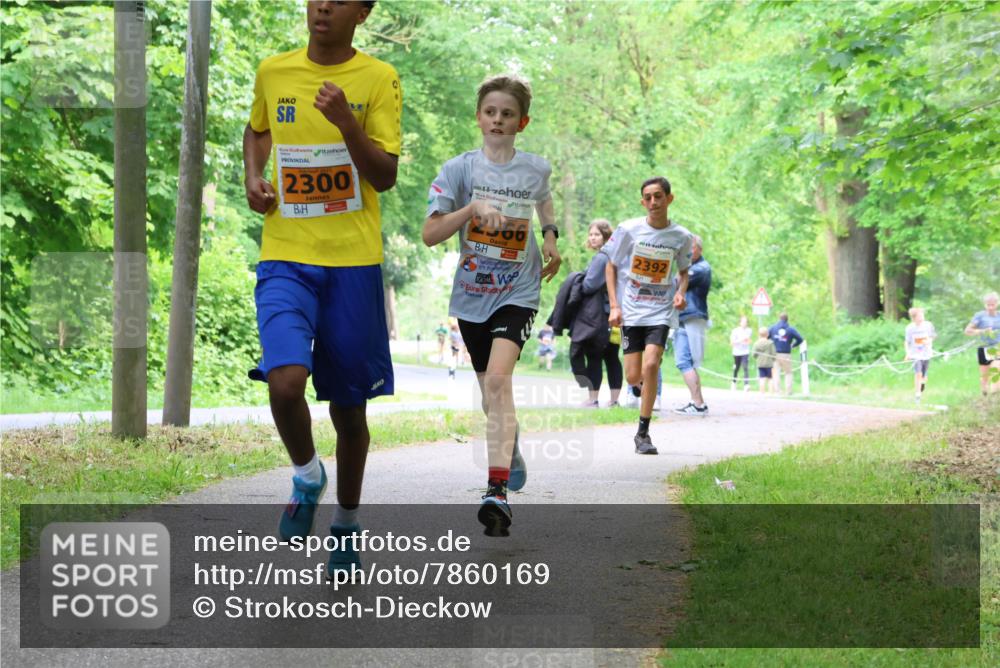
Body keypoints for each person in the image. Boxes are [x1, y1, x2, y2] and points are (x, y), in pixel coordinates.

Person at [243, 0, 400, 576]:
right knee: (285, 382)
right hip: (285, 254)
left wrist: (347, 124)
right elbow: (257, 129)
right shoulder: (274, 70)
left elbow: (385, 174)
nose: (324, 6)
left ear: (362, 12)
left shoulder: (378, 77)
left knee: (349, 409)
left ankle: (346, 524)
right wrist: (252, 176)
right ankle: (307, 475)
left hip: (353, 263)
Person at [422, 74, 561, 536]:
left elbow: (543, 202)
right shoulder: (458, 170)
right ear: (479, 117)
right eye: (490, 112)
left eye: (507, 113)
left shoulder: (536, 169)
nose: (498, 119)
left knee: (500, 381)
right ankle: (511, 445)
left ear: (522, 122)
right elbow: (430, 234)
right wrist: (471, 210)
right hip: (473, 294)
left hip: (518, 290)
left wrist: (550, 236)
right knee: (490, 395)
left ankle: (496, 491)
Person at [606, 176, 692, 455]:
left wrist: (681, 292)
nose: (653, 202)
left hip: (661, 310)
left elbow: (683, 272)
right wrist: (615, 305)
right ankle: (643, 387)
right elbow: (611, 265)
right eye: (648, 197)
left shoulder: (682, 237)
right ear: (642, 202)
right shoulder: (628, 230)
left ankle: (643, 433)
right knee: (633, 376)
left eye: (658, 196)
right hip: (632, 310)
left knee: (652, 364)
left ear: (669, 198)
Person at [574, 219, 623, 407]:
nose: (592, 238)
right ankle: (614, 400)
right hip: (615, 315)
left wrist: (579, 279)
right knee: (612, 357)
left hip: (600, 316)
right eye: (591, 234)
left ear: (606, 236)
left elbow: (589, 285)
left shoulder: (602, 257)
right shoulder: (614, 255)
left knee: (594, 355)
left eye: (597, 234)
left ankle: (593, 398)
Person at [672, 235, 711, 416]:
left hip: (692, 316)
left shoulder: (701, 268)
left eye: (691, 247)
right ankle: (698, 403)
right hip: (684, 317)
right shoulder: (691, 267)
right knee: (687, 361)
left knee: (687, 361)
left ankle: (698, 404)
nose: (687, 251)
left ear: (700, 249)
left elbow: (677, 283)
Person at [964, 291, 1000, 396]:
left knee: (997, 369)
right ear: (985, 305)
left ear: (997, 304)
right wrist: (982, 331)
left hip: (996, 347)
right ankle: (985, 394)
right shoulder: (979, 316)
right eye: (988, 305)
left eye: (992, 305)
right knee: (985, 376)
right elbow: (967, 331)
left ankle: (994, 394)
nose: (990, 307)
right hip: (983, 347)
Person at [904, 307, 936, 402]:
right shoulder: (909, 328)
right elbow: (907, 342)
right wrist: (908, 353)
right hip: (915, 355)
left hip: (926, 353)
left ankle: (922, 385)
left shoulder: (928, 325)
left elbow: (933, 336)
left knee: (924, 375)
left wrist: (929, 341)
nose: (922, 317)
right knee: (918, 373)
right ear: (914, 318)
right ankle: (917, 395)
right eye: (919, 316)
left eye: (922, 315)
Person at [768, 312, 804, 395]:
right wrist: (793, 345)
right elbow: (800, 339)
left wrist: (771, 344)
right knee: (788, 373)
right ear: (787, 319)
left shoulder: (773, 328)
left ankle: (777, 391)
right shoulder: (790, 329)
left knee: (776, 372)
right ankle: (788, 391)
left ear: (779, 318)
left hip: (775, 354)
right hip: (786, 354)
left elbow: (765, 336)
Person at [730, 315, 753, 391]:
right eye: (743, 322)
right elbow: (732, 343)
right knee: (736, 367)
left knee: (745, 367)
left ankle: (746, 384)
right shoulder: (735, 331)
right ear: (740, 323)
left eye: (746, 322)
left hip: (745, 351)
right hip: (737, 352)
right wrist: (741, 340)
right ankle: (734, 382)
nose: (745, 323)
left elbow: (749, 341)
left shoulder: (749, 330)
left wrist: (748, 341)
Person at [751, 327, 776, 394]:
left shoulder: (756, 343)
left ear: (759, 334)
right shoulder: (770, 343)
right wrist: (773, 359)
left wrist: (757, 357)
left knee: (762, 378)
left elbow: (754, 354)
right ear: (767, 334)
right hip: (769, 364)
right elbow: (773, 353)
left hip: (760, 363)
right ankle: (771, 392)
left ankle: (762, 392)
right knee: (770, 379)